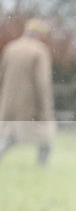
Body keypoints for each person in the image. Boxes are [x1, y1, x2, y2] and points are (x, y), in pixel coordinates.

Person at [0, 18, 55, 165]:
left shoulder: (10, 48)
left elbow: (2, 76)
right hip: (30, 103)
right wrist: (45, 109)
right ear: (40, 34)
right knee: (46, 136)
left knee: (9, 136)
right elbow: (42, 83)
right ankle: (42, 167)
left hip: (8, 103)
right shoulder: (39, 51)